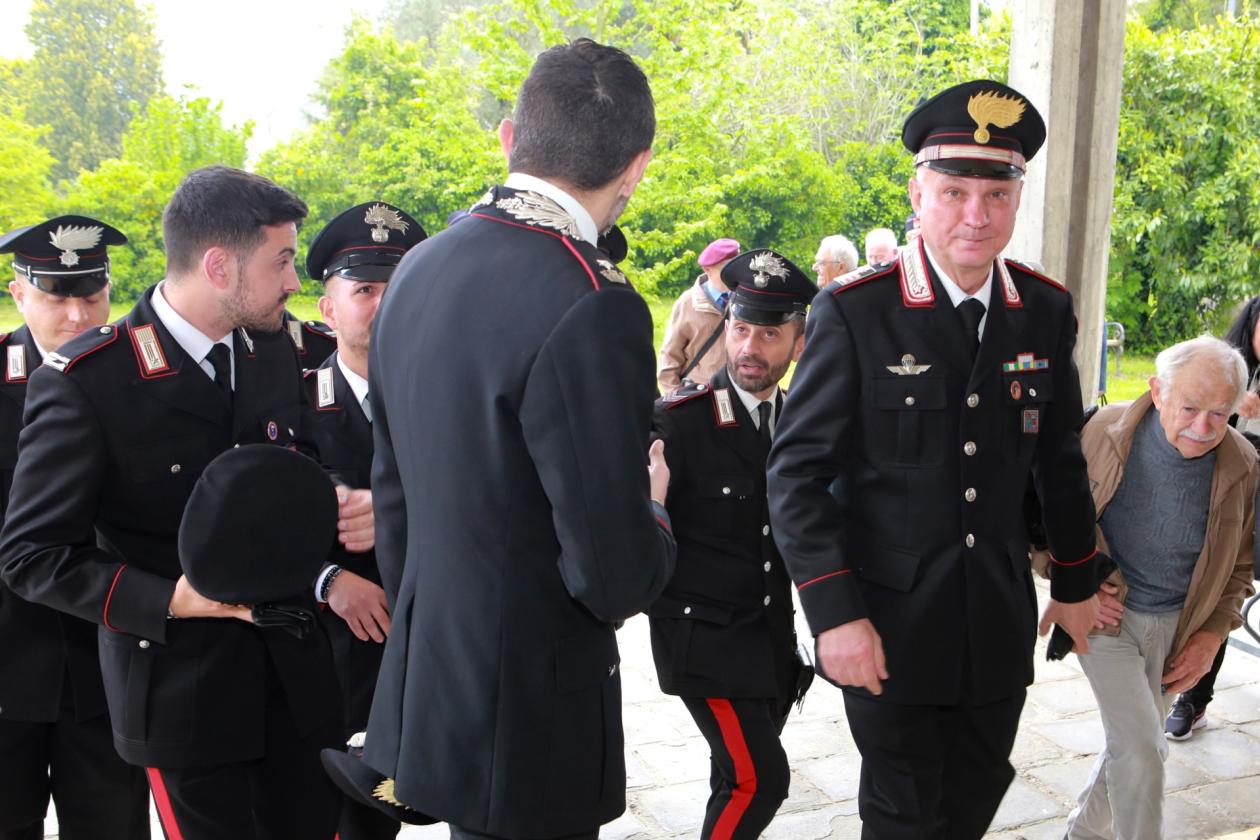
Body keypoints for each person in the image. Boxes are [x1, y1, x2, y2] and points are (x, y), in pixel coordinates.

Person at [338, 39, 677, 840]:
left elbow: (396, 502)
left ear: (508, 138)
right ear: (637, 166)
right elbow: (611, 577)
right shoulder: (593, 299)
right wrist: (655, 511)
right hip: (533, 715)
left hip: (440, 686)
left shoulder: (418, 268)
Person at [766, 79, 1101, 839]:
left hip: (995, 623)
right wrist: (833, 613)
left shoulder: (1043, 310)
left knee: (974, 798)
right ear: (918, 195)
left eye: (996, 194)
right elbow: (796, 474)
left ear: (1017, 200)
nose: (976, 215)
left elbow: (1059, 459)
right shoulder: (857, 311)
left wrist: (1077, 580)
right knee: (904, 815)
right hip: (887, 625)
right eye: (954, 193)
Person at [0, 165, 346, 840]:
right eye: (281, 261)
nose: (293, 281)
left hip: (296, 683)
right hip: (184, 693)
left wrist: (337, 504)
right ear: (219, 266)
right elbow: (31, 556)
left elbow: (295, 471)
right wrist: (171, 599)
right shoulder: (90, 380)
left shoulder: (281, 351)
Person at [1058, 336, 1256, 839]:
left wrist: (1212, 634)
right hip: (1105, 617)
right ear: (1157, 390)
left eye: (1220, 413)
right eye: (1189, 408)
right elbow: (1045, 519)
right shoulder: (1102, 432)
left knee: (1133, 746)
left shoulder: (1243, 464)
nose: (1202, 427)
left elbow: (1240, 565)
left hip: (1179, 628)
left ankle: (1080, 835)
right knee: (1144, 747)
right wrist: (1076, 584)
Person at [649, 248, 817, 840]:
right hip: (705, 643)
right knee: (760, 782)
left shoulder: (801, 421)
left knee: (732, 778)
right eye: (741, 329)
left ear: (798, 343)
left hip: (768, 643)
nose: (750, 347)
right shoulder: (679, 420)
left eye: (770, 334)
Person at [0, 217, 150, 839]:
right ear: (18, 294)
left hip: (105, 663)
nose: (77, 317)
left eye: (92, 296)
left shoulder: (139, 379)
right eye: (57, 298)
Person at [302, 200, 427, 839]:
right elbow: (254, 531)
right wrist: (326, 579)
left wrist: (401, 512)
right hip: (328, 656)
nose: (383, 304)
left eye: (397, 287)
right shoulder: (293, 402)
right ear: (328, 309)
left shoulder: (451, 397)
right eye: (364, 290)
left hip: (427, 649)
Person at [1164, 296, 1260, 740]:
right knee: (1217, 586)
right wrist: (1234, 406)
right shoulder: (1223, 369)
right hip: (1226, 489)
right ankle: (1193, 697)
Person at [657, 237, 740, 393]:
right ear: (707, 270)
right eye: (726, 269)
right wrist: (677, 398)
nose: (734, 275)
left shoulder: (745, 299)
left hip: (738, 394)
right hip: (699, 394)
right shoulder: (687, 303)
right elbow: (670, 357)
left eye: (736, 268)